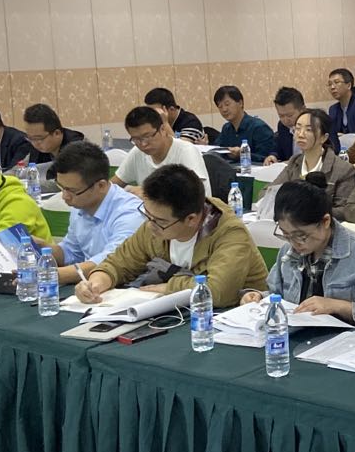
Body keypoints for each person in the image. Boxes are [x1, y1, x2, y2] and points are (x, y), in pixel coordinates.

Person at [74, 163, 267, 308]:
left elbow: (218, 291)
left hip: (232, 320)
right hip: (178, 312)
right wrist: (97, 282)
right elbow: (119, 263)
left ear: (191, 219)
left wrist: (169, 287)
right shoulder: (155, 223)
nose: (150, 225)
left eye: (159, 221)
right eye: (146, 214)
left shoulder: (229, 232)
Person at [240, 175, 355, 324]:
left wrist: (339, 306)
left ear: (325, 221)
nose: (294, 243)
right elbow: (276, 294)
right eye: (286, 235)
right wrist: (259, 297)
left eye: (301, 236)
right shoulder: (288, 251)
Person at [46, 141, 143, 285]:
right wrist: (41, 249)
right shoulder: (80, 204)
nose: (65, 196)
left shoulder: (130, 214)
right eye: (62, 187)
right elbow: (71, 253)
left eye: (72, 190)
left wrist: (49, 275)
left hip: (128, 288)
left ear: (101, 186)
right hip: (93, 286)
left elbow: (110, 263)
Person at [267, 108, 355, 214]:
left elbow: (344, 210)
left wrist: (306, 212)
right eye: (298, 128)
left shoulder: (343, 170)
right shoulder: (294, 162)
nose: (300, 134)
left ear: (324, 138)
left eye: (309, 130)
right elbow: (268, 193)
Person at [112, 104, 213, 196]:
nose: (143, 144)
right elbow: (113, 185)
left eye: (147, 137)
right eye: (136, 139)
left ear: (162, 129)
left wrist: (148, 193)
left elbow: (195, 194)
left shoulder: (186, 151)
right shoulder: (137, 153)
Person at [212, 85, 276, 161]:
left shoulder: (259, 127)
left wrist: (243, 154)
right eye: (220, 106)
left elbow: (267, 158)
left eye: (227, 104)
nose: (224, 109)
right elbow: (217, 150)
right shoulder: (226, 129)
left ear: (240, 103)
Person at [21, 103, 84, 179]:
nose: (34, 143)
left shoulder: (78, 149)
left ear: (57, 133)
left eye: (39, 138)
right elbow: (19, 170)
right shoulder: (37, 148)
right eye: (30, 138)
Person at [326, 68, 355, 147]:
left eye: (336, 82)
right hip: (341, 150)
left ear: (349, 85)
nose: (332, 87)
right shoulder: (333, 109)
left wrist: (346, 137)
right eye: (329, 84)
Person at [266, 86, 306, 164]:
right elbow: (278, 148)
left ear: (303, 109)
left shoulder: (315, 124)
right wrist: (273, 156)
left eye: (290, 115)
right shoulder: (282, 126)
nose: (285, 120)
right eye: (281, 116)